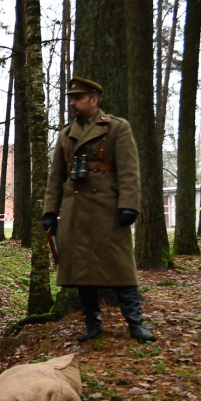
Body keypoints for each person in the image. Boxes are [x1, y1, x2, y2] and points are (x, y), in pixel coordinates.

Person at [43, 77, 156, 343]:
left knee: (120, 267)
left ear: (94, 100)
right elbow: (55, 177)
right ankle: (92, 325)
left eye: (78, 98)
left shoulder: (117, 128)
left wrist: (128, 205)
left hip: (108, 211)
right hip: (76, 212)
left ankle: (135, 323)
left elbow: (130, 171)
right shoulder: (66, 134)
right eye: (71, 99)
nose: (73, 103)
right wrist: (50, 211)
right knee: (83, 272)